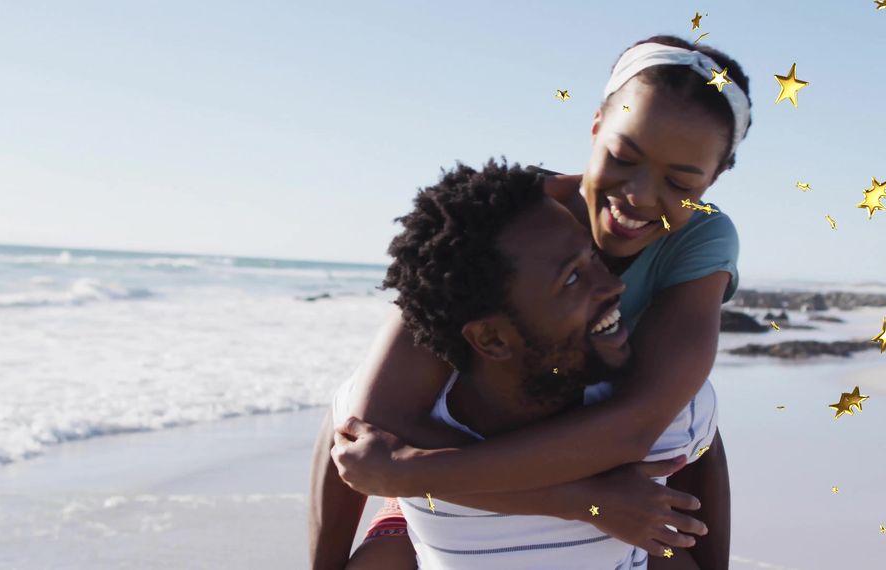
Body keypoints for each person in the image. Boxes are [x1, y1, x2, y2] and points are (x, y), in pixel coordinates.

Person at [313, 34, 751, 569]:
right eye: (622, 156)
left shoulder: (700, 241)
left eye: (681, 181)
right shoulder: (514, 215)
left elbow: (638, 427)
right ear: (595, 125)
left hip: (597, 441)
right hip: (484, 441)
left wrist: (406, 471)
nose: (637, 195)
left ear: (716, 176)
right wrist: (580, 502)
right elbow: (372, 425)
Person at [326, 160, 709, 568]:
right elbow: (342, 445)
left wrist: (407, 475)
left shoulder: (661, 413)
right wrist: (586, 501)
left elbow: (703, 449)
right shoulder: (398, 419)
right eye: (573, 278)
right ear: (491, 339)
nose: (616, 285)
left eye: (593, 260)